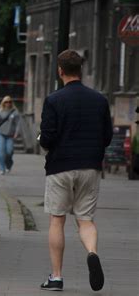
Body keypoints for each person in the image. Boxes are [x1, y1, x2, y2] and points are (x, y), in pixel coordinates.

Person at [39, 50, 113, 292]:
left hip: (60, 167)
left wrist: (43, 139)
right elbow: (107, 136)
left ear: (60, 70)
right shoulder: (100, 100)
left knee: (57, 220)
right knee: (86, 220)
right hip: (90, 166)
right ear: (80, 70)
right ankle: (92, 253)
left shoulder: (53, 100)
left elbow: (47, 138)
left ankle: (57, 277)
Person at [0, 95, 20, 175]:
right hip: (1, 134)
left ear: (11, 103)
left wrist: (16, 133)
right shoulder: (0, 111)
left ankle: (9, 164)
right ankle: (1, 168)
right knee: (0, 152)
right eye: (6, 102)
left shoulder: (15, 112)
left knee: (9, 151)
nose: (8, 103)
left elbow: (18, 124)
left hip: (10, 135)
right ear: (3, 103)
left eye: (9, 102)